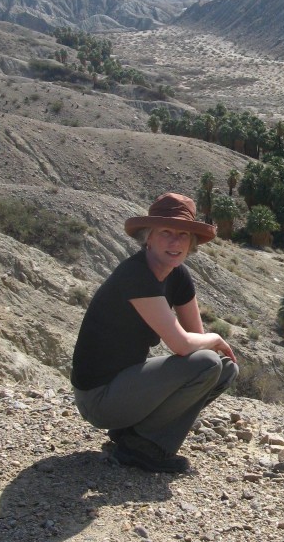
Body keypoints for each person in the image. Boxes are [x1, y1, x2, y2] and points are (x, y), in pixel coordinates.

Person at [71, 192, 238, 474]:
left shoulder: (178, 275)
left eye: (183, 234)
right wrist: (217, 338)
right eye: (166, 233)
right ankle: (144, 446)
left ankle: (137, 437)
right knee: (208, 363)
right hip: (99, 398)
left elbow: (197, 343)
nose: (175, 242)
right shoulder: (135, 275)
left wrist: (210, 346)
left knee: (223, 369)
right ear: (148, 237)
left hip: (127, 387)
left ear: (192, 242)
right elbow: (183, 345)